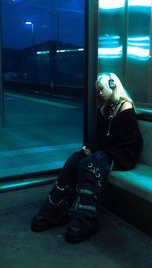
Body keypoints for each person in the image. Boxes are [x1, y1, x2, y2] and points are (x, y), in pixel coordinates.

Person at [31, 72, 143, 243]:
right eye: (98, 90)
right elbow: (99, 134)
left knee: (87, 165)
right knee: (73, 161)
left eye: (101, 89)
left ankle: (86, 218)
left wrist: (96, 148)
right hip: (106, 150)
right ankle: (55, 209)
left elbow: (123, 139)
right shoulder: (106, 108)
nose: (99, 93)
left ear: (113, 86)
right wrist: (89, 147)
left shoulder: (125, 107)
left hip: (121, 154)